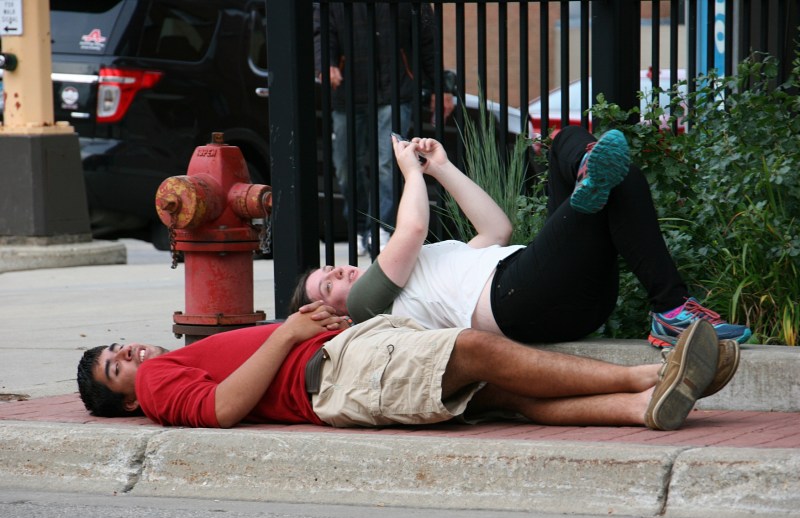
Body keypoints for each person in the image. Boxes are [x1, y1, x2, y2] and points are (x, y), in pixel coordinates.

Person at [290, 126, 752, 348]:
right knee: (603, 177)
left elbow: (496, 230)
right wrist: (410, 171)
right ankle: (669, 307)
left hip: (553, 292)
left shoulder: (422, 276)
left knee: (608, 169)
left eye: (330, 269)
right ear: (330, 312)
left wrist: (443, 168)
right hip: (517, 298)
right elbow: (411, 227)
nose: (339, 272)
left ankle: (670, 309)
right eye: (328, 285)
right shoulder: (366, 308)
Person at [77, 301, 738, 432]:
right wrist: (287, 337)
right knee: (474, 352)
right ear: (129, 401)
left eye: (120, 346)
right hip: (334, 375)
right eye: (116, 368)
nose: (129, 354)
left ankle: (639, 408)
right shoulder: (161, 386)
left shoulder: (170, 362)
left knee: (505, 390)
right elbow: (221, 411)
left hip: (343, 363)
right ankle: (650, 377)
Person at [314, 2, 453, 254]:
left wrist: (440, 86)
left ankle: (381, 228)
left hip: (396, 91)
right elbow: (321, 31)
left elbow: (427, 41)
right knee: (345, 165)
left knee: (388, 162)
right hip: (348, 92)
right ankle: (359, 228)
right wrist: (327, 62)